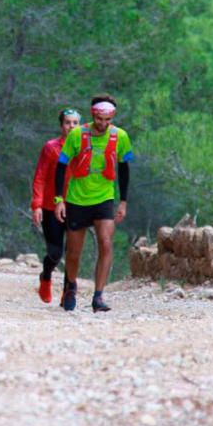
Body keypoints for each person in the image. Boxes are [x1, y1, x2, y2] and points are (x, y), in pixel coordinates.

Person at [54, 95, 134, 312]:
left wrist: (123, 202)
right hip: (77, 199)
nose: (104, 125)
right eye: (100, 120)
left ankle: (98, 296)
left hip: (104, 198)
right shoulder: (77, 135)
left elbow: (124, 170)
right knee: (73, 252)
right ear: (93, 115)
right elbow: (61, 166)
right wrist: (59, 200)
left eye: (108, 120)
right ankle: (70, 285)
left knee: (106, 243)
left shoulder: (120, 137)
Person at [30, 108, 81, 304]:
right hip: (51, 207)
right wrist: (37, 205)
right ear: (61, 125)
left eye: (75, 123)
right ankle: (46, 276)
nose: (71, 126)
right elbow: (40, 177)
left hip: (76, 205)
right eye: (68, 122)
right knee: (55, 252)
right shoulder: (51, 148)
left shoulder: (83, 149)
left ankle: (68, 292)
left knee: (72, 252)